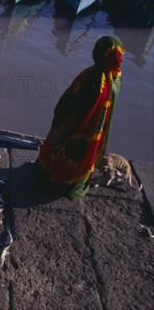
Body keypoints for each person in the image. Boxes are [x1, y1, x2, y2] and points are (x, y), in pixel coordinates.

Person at [34, 36, 125, 200]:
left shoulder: (94, 80)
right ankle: (73, 185)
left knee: (63, 155)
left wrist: (60, 131)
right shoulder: (115, 77)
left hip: (77, 130)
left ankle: (51, 184)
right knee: (82, 158)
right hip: (94, 133)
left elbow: (80, 111)